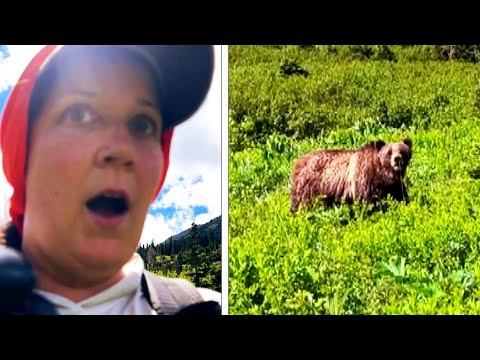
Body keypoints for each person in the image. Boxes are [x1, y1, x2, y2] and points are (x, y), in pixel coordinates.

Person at [0, 45, 221, 315]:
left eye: (143, 124)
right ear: (21, 151)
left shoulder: (204, 306)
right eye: (79, 113)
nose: (120, 149)